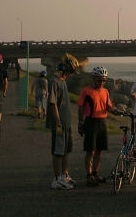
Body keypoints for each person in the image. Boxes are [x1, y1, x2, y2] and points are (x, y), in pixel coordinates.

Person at [77, 66, 121, 186]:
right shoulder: (86, 91)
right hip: (90, 122)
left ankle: (95, 173)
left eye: (104, 80)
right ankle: (89, 175)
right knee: (90, 150)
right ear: (93, 78)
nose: (101, 82)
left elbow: (108, 106)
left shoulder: (105, 91)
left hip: (102, 122)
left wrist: (115, 110)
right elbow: (80, 108)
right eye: (99, 80)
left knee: (99, 150)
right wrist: (80, 124)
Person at [46, 53, 80, 190]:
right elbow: (53, 103)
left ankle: (64, 175)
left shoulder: (63, 81)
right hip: (59, 124)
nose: (71, 75)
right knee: (58, 151)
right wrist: (58, 122)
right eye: (70, 72)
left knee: (66, 149)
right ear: (64, 69)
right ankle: (56, 179)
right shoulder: (54, 81)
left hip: (66, 123)